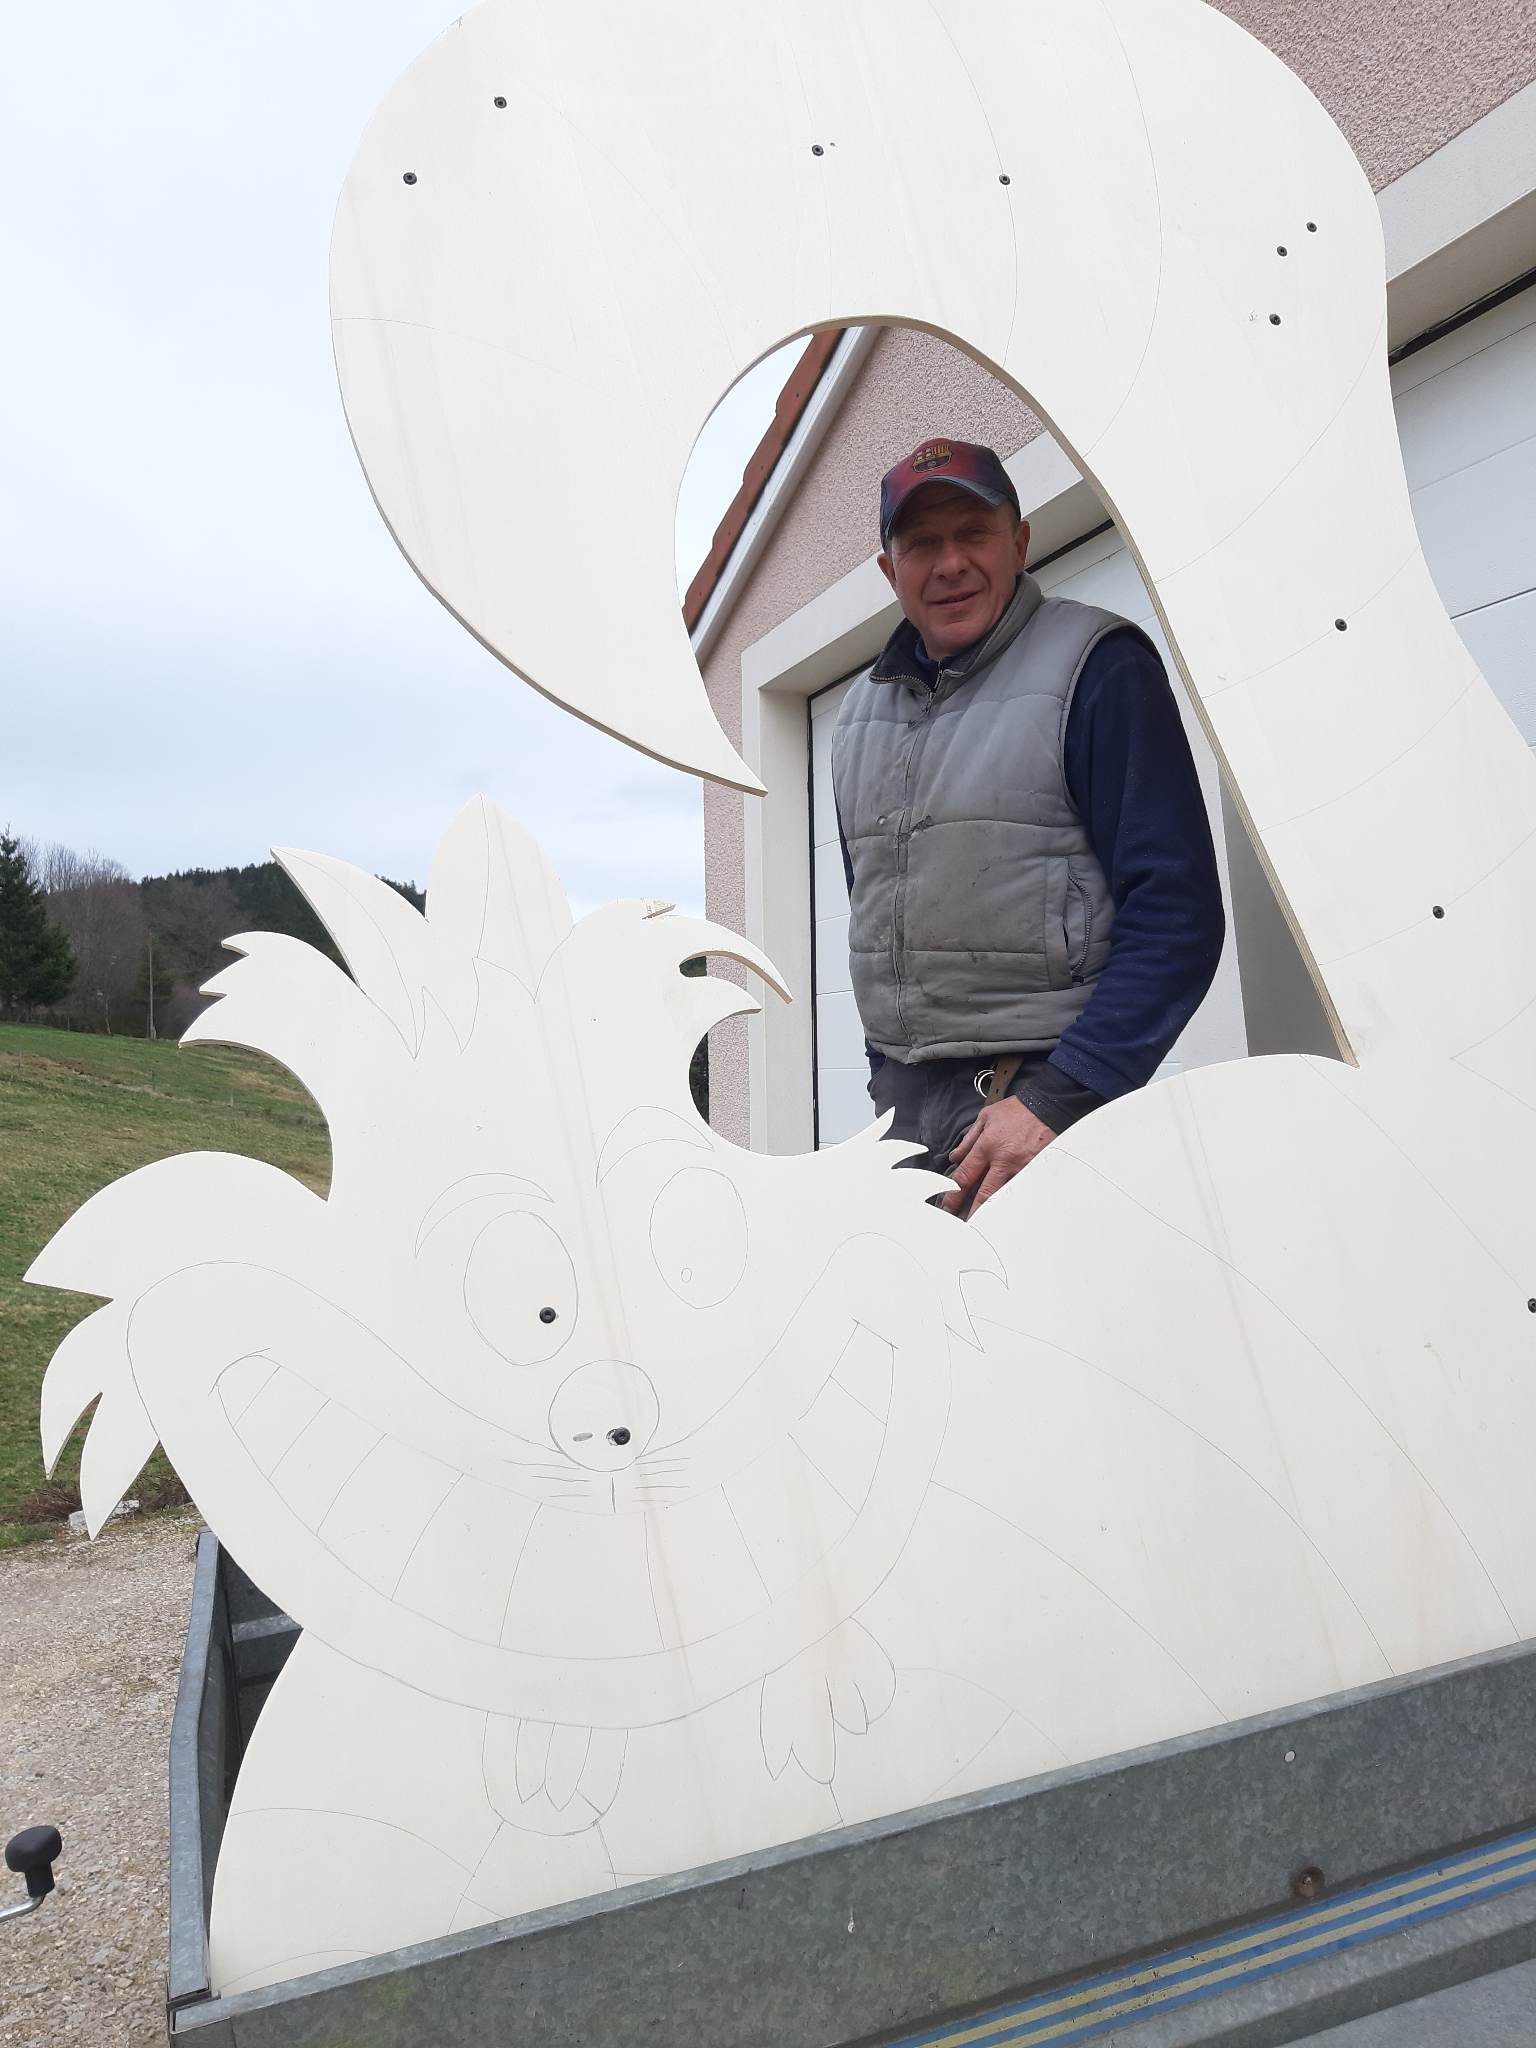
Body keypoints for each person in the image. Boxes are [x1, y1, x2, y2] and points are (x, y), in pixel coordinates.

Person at [831, 436, 1225, 1218]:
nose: (950, 563)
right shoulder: (855, 719)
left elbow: (1176, 915)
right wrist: (885, 1078)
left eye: (973, 533)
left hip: (1044, 1107)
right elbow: (878, 919)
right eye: (922, 543)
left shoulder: (1099, 667)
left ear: (1019, 543)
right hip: (903, 1118)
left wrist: (1058, 1100)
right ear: (889, 570)